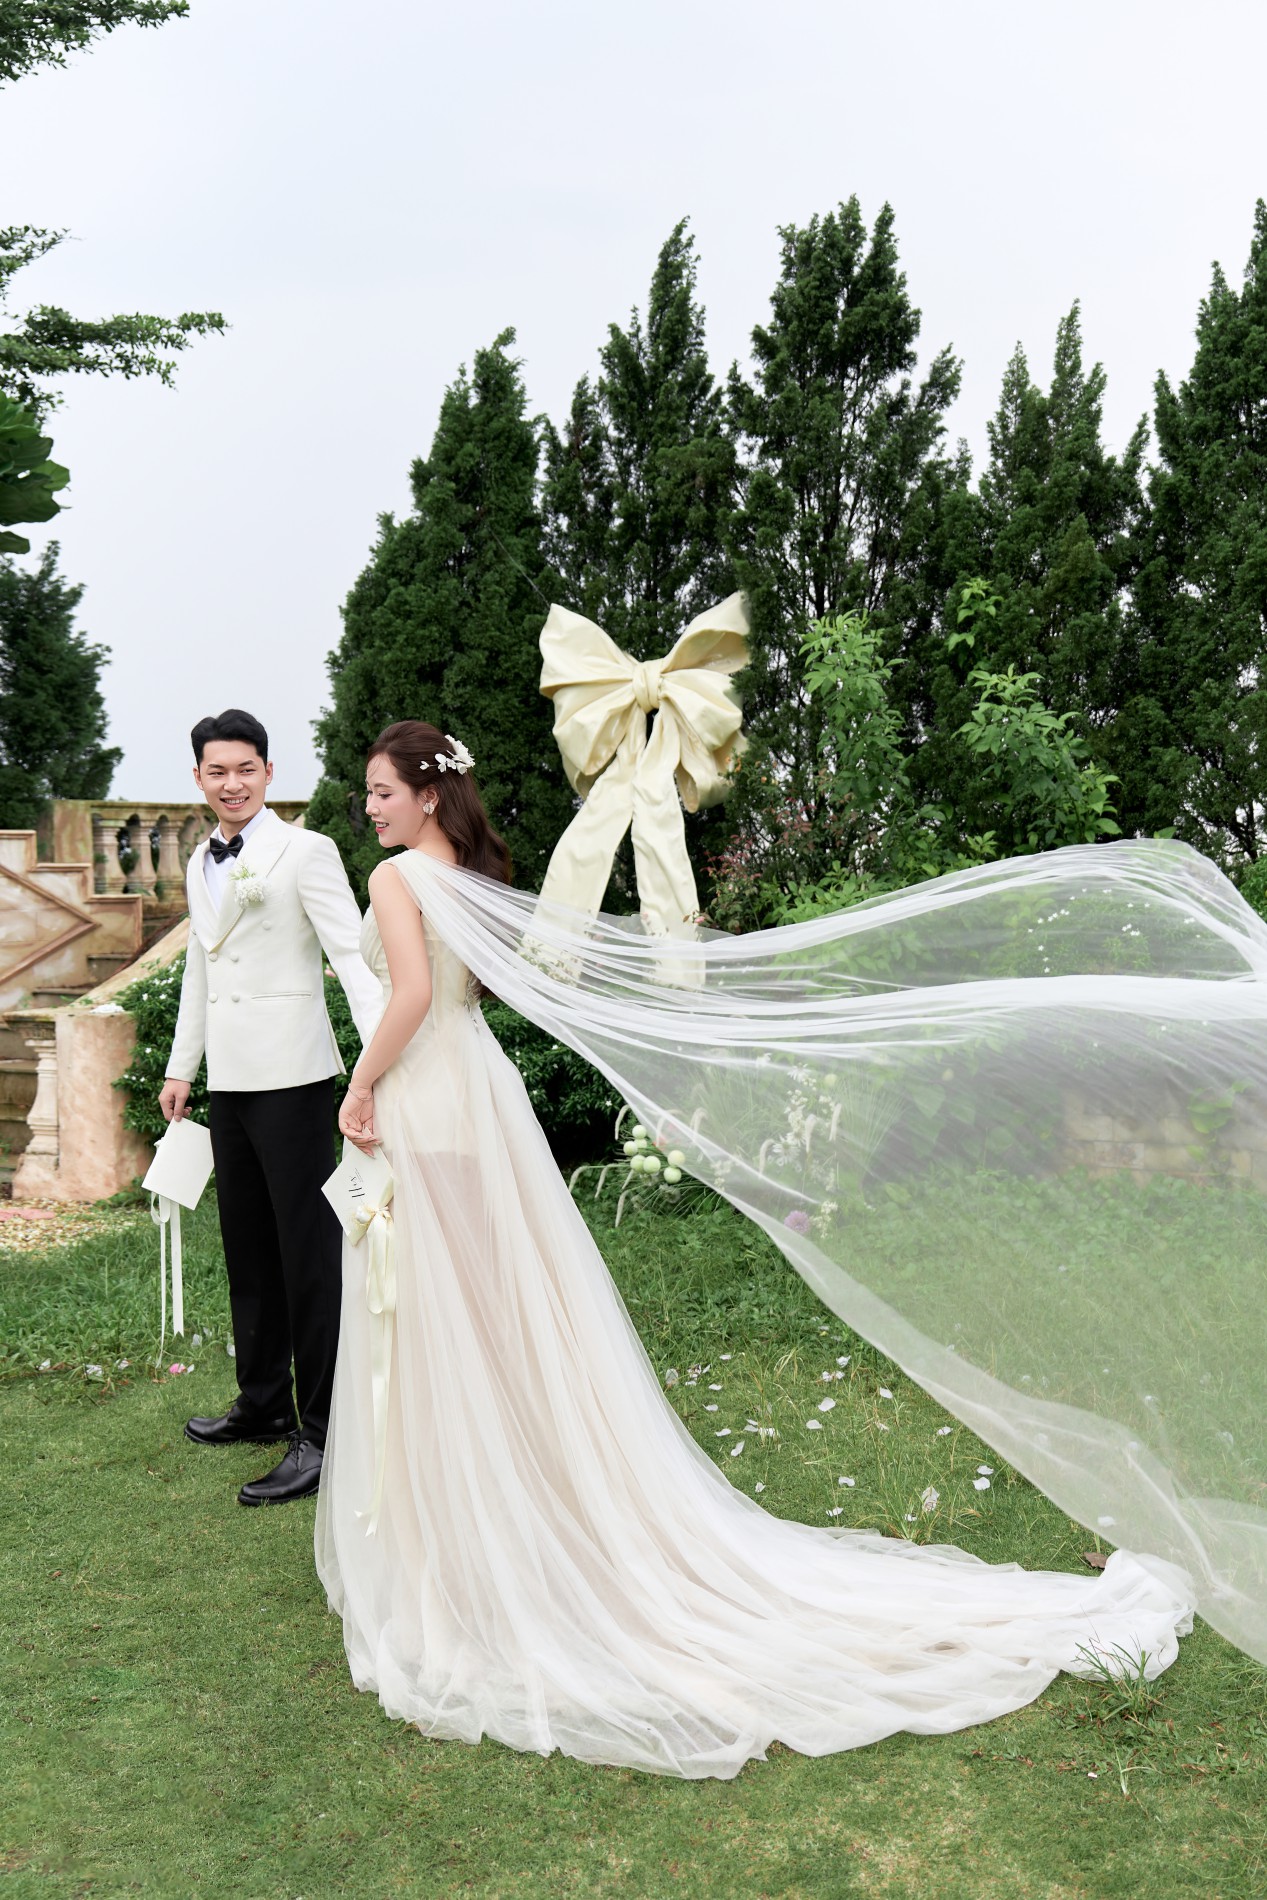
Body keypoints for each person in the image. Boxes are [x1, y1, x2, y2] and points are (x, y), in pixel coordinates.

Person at [314, 721, 1202, 1780]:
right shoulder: (465, 876)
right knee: (488, 1311)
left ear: (425, 794)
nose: (370, 808)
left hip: (425, 1096)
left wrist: (360, 1084)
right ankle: (512, 1513)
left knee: (440, 1311)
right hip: (479, 1095)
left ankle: (470, 1541)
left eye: (380, 791)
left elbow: (411, 997)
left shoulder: (397, 879)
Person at [161, 708, 381, 1506]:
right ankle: (261, 1403)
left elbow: (352, 957)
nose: (233, 784)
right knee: (248, 1248)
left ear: (268, 773)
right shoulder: (200, 860)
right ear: (198, 778)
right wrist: (182, 1067)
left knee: (308, 1257)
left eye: (245, 769)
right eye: (217, 772)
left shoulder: (305, 850)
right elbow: (200, 968)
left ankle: (321, 1433)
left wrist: (376, 1068)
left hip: (294, 1079)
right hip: (229, 1083)